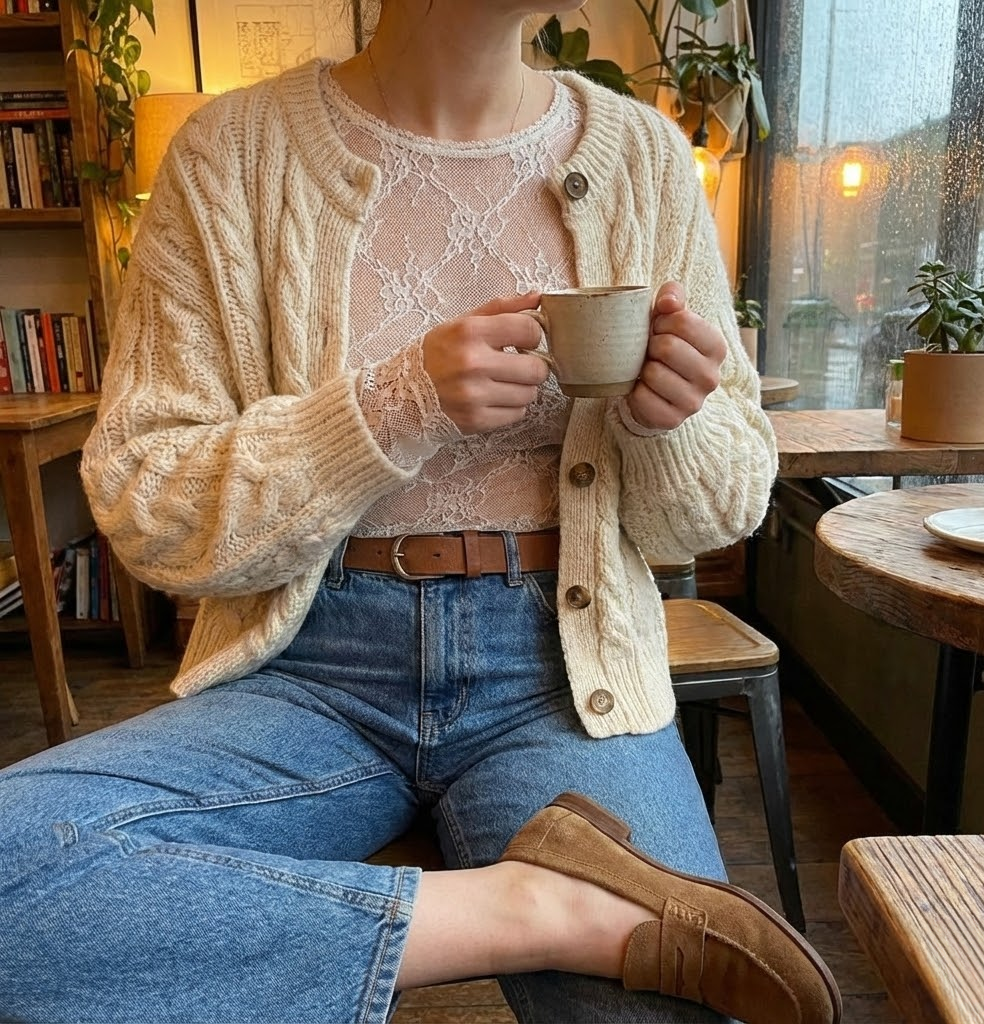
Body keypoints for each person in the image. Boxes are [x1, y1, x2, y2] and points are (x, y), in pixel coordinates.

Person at [0, 2, 841, 1022]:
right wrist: (391, 407)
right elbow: (147, 503)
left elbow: (717, 510)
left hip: (562, 672)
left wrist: (669, 423)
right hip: (307, 671)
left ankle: (537, 904)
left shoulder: (646, 160)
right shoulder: (231, 154)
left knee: (685, 1007)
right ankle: (528, 908)